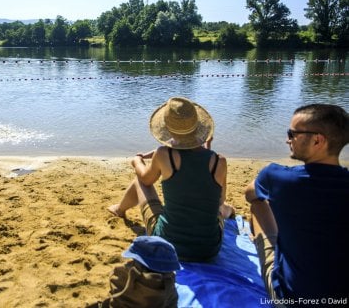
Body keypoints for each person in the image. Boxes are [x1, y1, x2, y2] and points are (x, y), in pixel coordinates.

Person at [245, 104, 349, 304]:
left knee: (258, 203)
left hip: (290, 297)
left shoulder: (276, 177)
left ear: (317, 140)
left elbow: (249, 194)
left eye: (292, 134)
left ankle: (260, 241)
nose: (287, 140)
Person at [108, 97, 234, 262]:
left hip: (169, 244)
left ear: (167, 129)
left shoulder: (163, 155)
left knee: (139, 181)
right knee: (221, 207)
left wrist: (137, 162)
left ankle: (120, 209)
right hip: (209, 249)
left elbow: (146, 179)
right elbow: (219, 199)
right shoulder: (219, 161)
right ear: (199, 128)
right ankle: (229, 211)